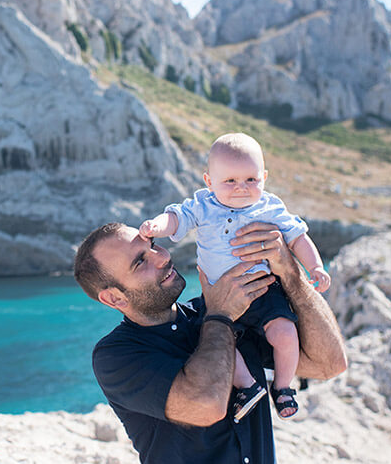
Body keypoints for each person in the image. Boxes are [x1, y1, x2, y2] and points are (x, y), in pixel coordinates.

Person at [73, 220, 346, 464]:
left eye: (154, 245)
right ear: (114, 298)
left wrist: (291, 274)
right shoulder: (115, 356)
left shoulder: (225, 310)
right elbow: (206, 405)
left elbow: (329, 364)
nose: (163, 257)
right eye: (140, 262)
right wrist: (221, 315)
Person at [138, 132, 330, 420]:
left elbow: (298, 237)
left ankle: (282, 386)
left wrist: (315, 267)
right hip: (219, 297)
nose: (241, 188)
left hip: (264, 290)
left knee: (286, 334)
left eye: (251, 180)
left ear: (264, 177)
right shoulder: (202, 205)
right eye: (230, 181)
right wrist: (157, 226)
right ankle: (248, 386)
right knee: (220, 342)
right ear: (208, 181)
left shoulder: (270, 206)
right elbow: (178, 217)